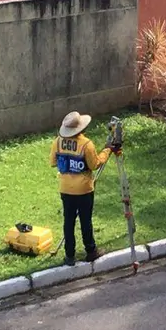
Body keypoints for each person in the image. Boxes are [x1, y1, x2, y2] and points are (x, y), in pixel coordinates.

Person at [50, 111, 112, 265]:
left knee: (68, 222)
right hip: (84, 190)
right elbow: (95, 164)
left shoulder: (58, 141)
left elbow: (53, 162)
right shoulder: (86, 144)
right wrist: (107, 150)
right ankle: (91, 251)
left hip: (66, 189)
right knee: (85, 221)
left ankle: (69, 256)